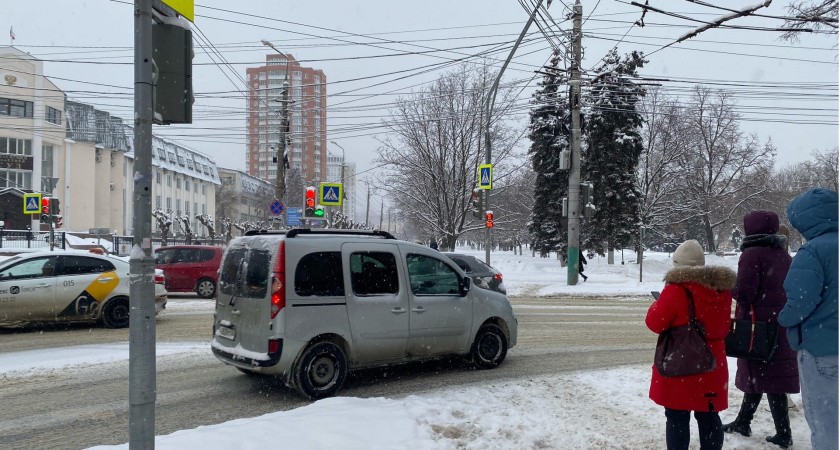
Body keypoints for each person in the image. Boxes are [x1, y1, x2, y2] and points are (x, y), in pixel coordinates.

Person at [646, 239, 736, 450]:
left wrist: (658, 303)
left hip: (682, 364)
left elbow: (654, 323)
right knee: (709, 417)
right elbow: (723, 326)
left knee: (677, 417)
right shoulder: (722, 291)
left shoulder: (676, 291)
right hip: (712, 364)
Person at [723, 211, 797, 449]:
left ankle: (783, 434)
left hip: (757, 329)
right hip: (779, 325)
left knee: (761, 376)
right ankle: (744, 422)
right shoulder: (783, 255)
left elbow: (744, 294)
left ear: (750, 229)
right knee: (766, 377)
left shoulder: (751, 254)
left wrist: (729, 287)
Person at [779, 188, 838, 450]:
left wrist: (783, 319)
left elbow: (800, 302)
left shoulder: (813, 251)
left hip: (821, 351)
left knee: (826, 425)